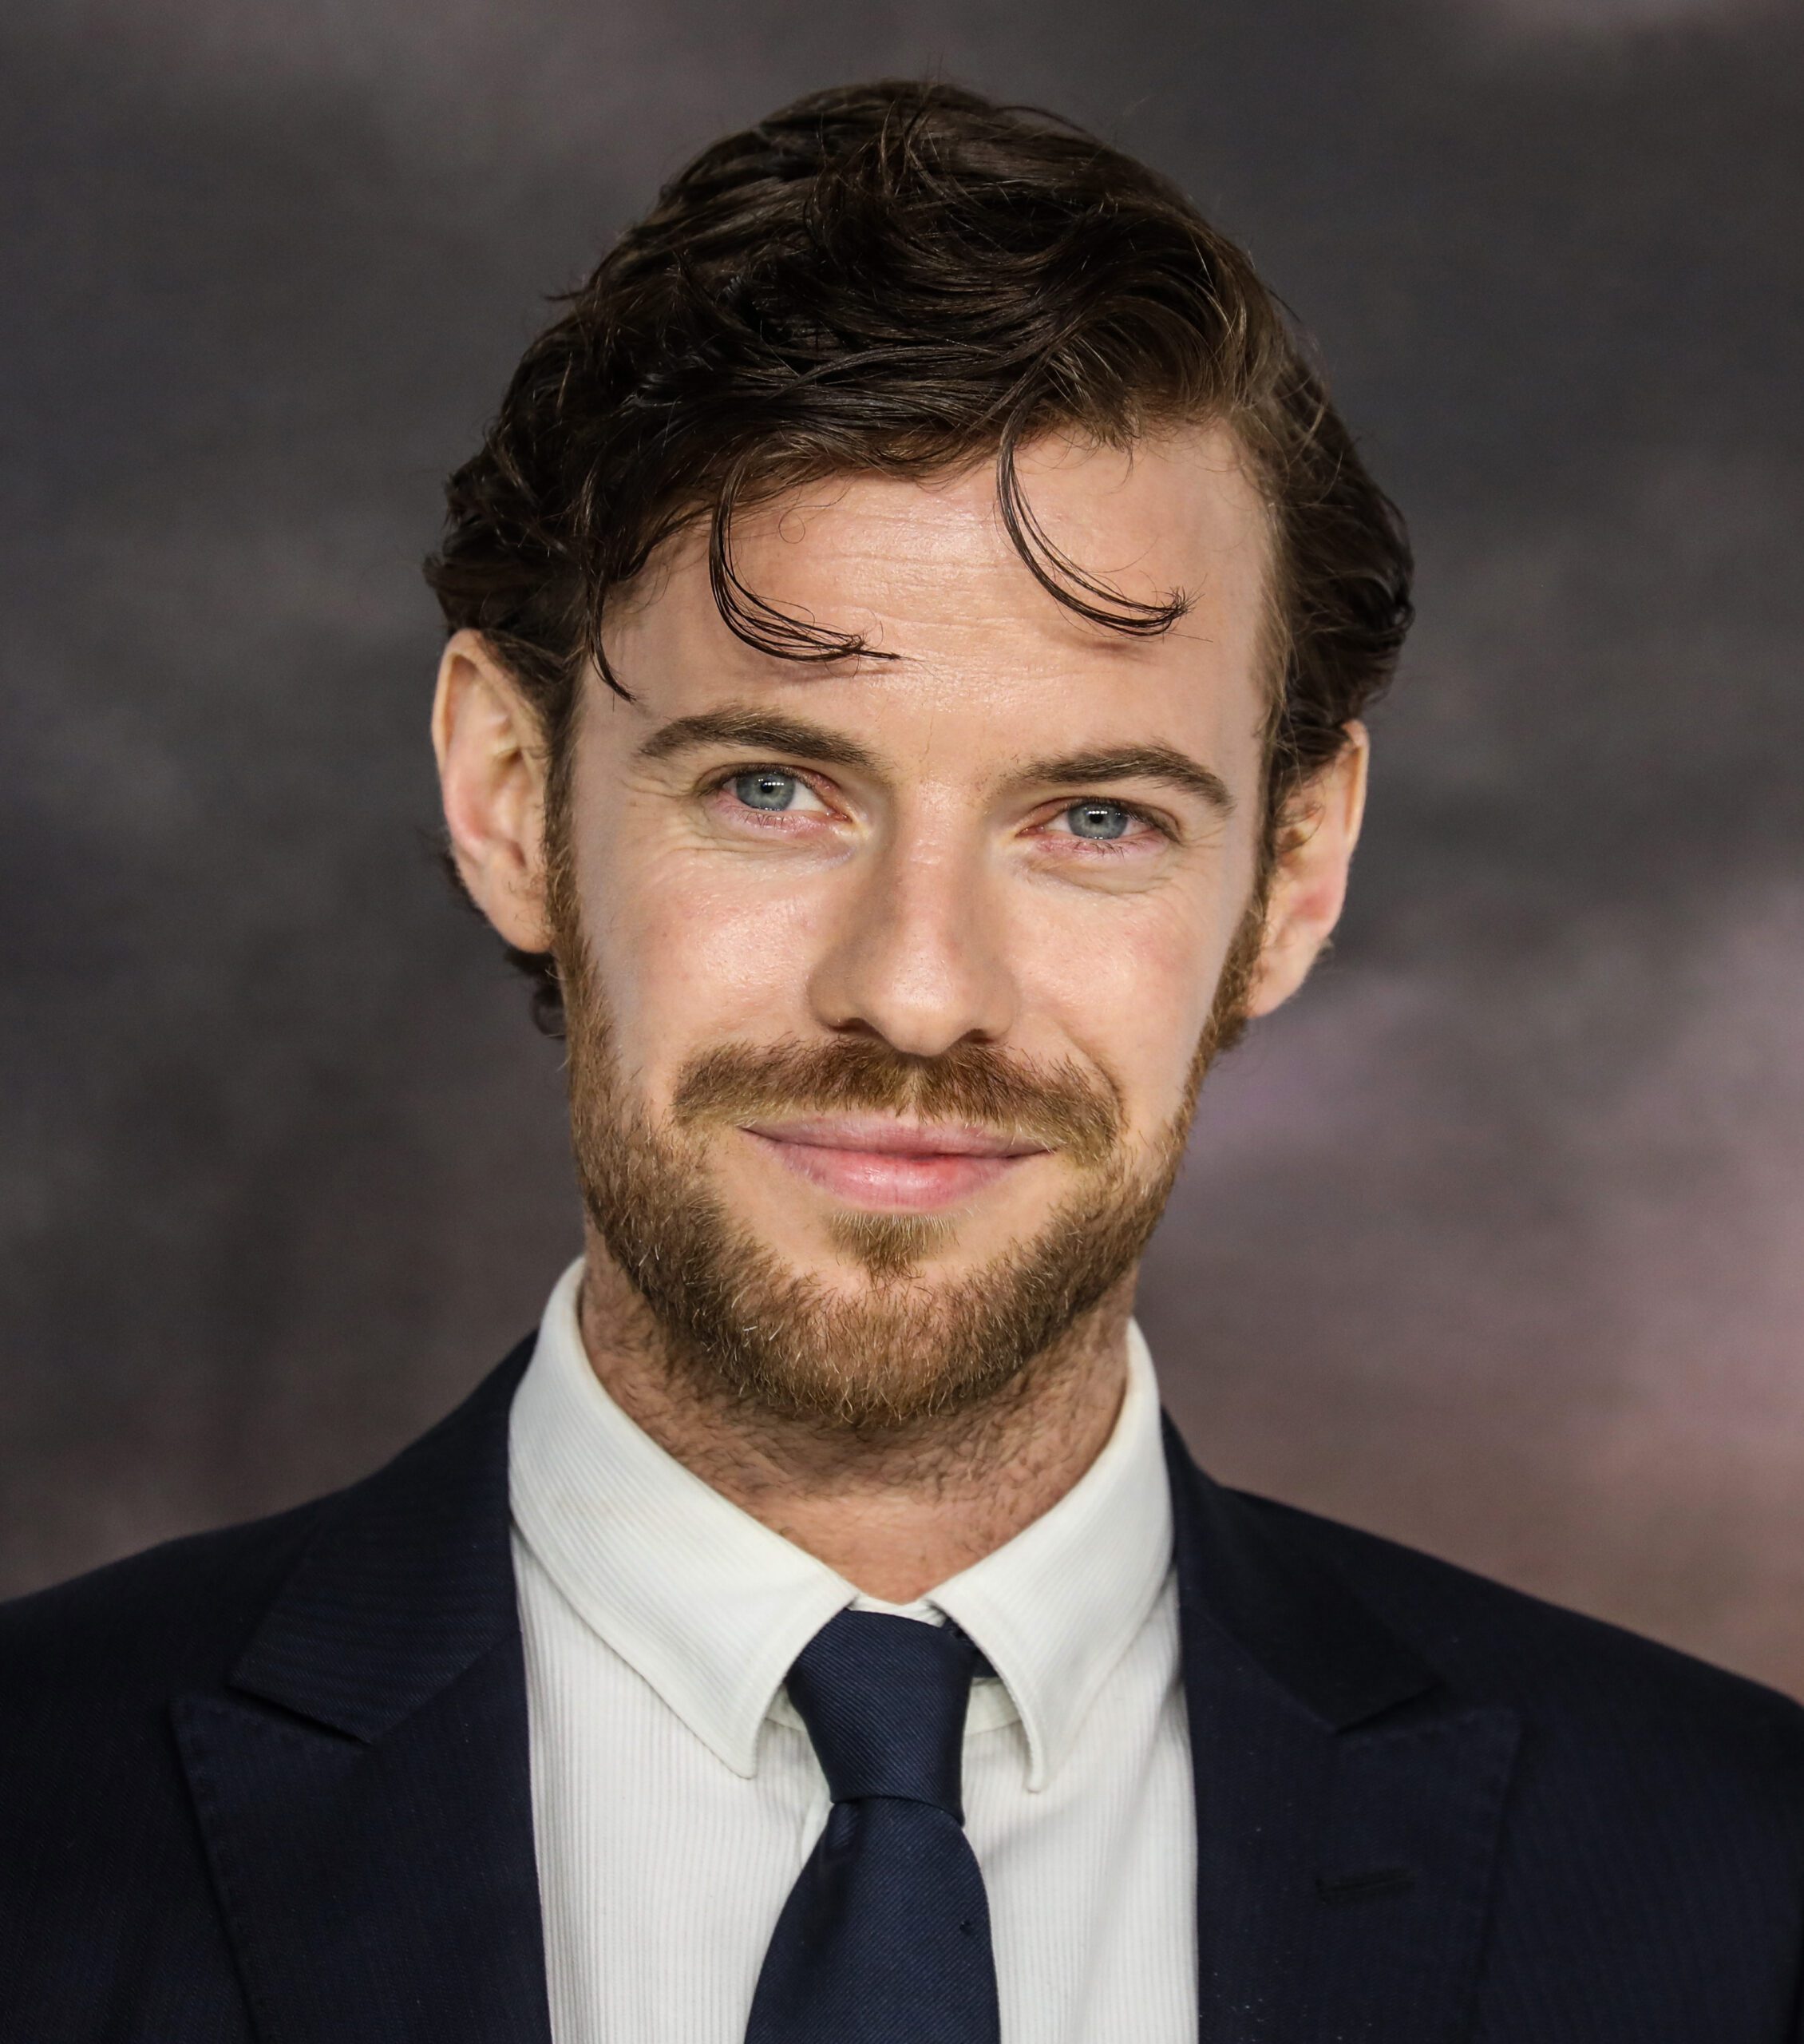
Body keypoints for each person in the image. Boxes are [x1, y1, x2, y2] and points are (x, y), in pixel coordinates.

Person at [2, 77, 1802, 2044]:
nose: (920, 991)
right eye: (775, 787)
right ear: (510, 795)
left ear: (1290, 878)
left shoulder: (1735, 1884)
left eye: (1094, 816)